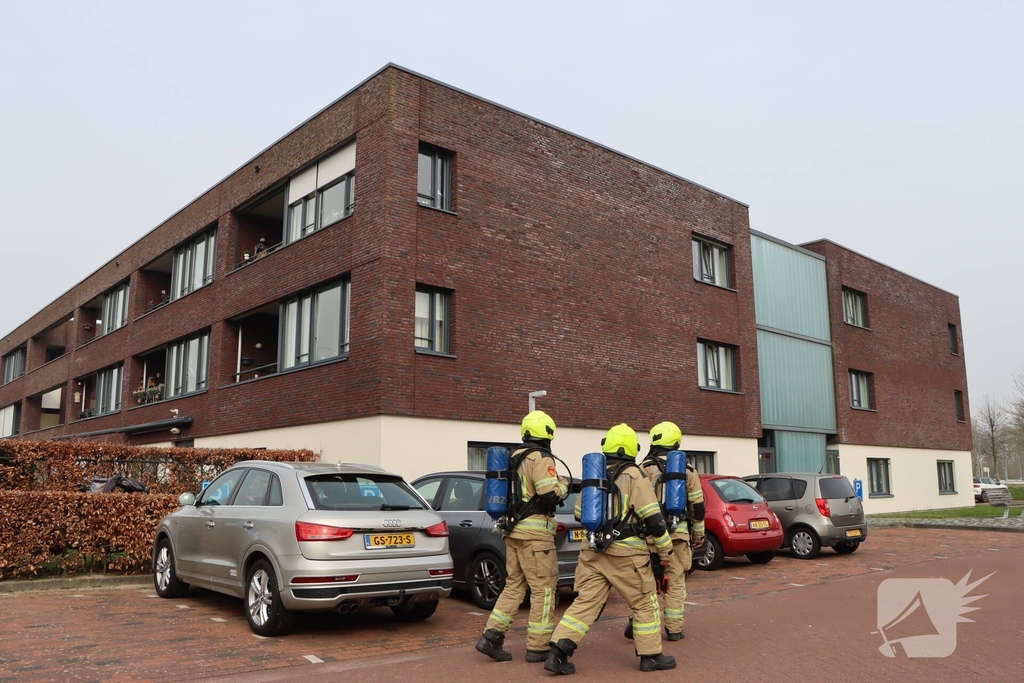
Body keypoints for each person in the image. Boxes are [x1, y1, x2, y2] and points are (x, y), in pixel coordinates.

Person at [545, 424, 676, 675]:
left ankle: (558, 653)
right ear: (631, 448)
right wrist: (665, 552)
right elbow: (653, 520)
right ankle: (651, 656)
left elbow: (578, 513)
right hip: (626, 554)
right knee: (644, 602)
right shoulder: (635, 475)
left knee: (586, 603)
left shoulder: (596, 475)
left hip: (592, 551)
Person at [476, 410, 569, 663]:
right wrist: (564, 485)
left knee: (514, 586)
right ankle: (538, 647)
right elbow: (549, 494)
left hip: (513, 532)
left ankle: (491, 637)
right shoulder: (540, 457)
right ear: (548, 433)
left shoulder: (514, 456)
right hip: (535, 535)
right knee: (545, 590)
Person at [623, 421, 706, 642]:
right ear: (676, 442)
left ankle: (636, 623)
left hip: (647, 536)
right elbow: (698, 508)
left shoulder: (640, 469)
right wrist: (698, 536)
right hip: (678, 536)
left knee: (644, 583)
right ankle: (674, 629)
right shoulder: (688, 471)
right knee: (676, 581)